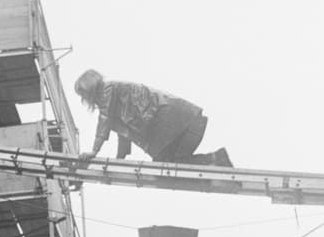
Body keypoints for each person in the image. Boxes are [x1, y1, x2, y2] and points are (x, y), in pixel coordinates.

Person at [73, 69, 232, 167]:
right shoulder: (113, 96)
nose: (84, 100)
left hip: (173, 120)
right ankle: (217, 159)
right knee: (169, 166)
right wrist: (120, 159)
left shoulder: (106, 90)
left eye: (83, 95)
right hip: (179, 121)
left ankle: (216, 159)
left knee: (165, 167)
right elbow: (124, 132)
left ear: (90, 89)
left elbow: (105, 119)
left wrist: (94, 151)